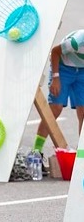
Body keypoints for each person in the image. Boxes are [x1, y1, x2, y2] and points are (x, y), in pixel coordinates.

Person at [33, 30, 84, 167]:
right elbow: (55, 52)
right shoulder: (77, 41)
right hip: (63, 68)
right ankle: (36, 151)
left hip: (82, 71)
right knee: (55, 109)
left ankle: (81, 157)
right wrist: (56, 78)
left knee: (83, 113)